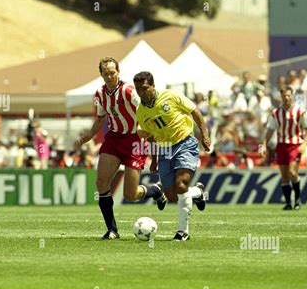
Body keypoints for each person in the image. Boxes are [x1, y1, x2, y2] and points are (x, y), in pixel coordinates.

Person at [76, 57, 166, 240]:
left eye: (112, 73)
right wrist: (90, 135)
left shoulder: (129, 91)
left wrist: (149, 135)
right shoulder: (100, 94)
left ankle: (156, 191)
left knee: (130, 195)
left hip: (135, 140)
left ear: (118, 72)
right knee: (101, 183)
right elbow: (101, 118)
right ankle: (112, 230)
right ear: (101, 74)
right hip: (114, 139)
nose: (109, 76)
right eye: (106, 73)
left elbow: (146, 112)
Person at [133, 71, 210, 241]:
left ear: (153, 86)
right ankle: (198, 192)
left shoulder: (171, 96)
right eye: (138, 89)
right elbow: (151, 136)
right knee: (173, 196)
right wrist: (153, 160)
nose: (142, 92)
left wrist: (204, 135)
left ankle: (183, 232)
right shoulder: (141, 112)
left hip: (184, 143)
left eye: (145, 88)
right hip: (164, 149)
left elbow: (195, 111)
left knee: (181, 185)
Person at [262, 86, 307, 210]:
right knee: (284, 176)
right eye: (284, 95)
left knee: (292, 172)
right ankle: (288, 203)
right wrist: (264, 144)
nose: (287, 98)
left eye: (289, 95)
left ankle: (297, 200)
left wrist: (304, 143)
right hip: (281, 145)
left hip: (295, 145)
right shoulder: (275, 113)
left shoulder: (300, 111)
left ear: (292, 96)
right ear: (281, 96)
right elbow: (270, 129)